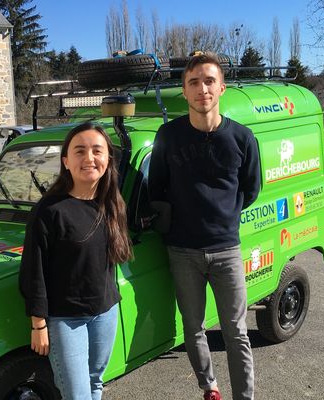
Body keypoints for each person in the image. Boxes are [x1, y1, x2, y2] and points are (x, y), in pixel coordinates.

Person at [148, 53, 260, 400]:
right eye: (193, 82)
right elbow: (157, 189)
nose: (202, 89)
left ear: (222, 87)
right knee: (193, 328)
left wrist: (223, 217)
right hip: (182, 252)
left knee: (236, 332)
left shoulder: (242, 138)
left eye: (209, 81)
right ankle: (209, 389)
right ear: (183, 91)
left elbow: (251, 188)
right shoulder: (168, 136)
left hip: (227, 250)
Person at [19, 122, 133, 400]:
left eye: (97, 150)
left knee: (95, 382)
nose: (89, 158)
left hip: (105, 312)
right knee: (77, 394)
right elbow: (33, 272)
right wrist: (38, 324)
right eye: (79, 151)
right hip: (66, 319)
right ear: (66, 161)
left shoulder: (112, 202)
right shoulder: (49, 210)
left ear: (108, 159)